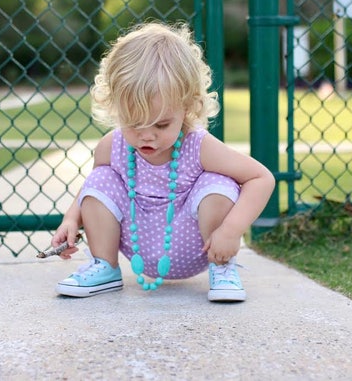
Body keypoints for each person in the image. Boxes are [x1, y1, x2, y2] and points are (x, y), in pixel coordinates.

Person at [51, 21, 275, 302]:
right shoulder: (113, 145)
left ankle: (223, 270)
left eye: (161, 124)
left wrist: (231, 232)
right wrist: (72, 219)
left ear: (188, 106)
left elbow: (262, 178)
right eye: (134, 124)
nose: (147, 136)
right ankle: (104, 266)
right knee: (100, 177)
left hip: (198, 245)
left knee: (217, 182)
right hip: (139, 242)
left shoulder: (199, 146)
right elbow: (93, 189)